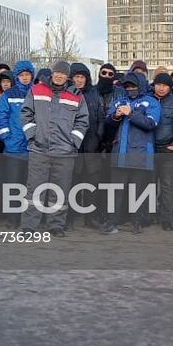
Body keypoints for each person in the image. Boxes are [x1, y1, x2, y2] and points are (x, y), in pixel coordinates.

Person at [20, 61, 88, 236]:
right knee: (34, 190)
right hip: (39, 150)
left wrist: (73, 141)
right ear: (52, 73)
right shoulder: (37, 90)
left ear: (68, 76)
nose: (59, 76)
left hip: (65, 152)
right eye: (56, 72)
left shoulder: (77, 95)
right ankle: (29, 226)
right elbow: (26, 113)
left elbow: (82, 121)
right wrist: (33, 136)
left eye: (63, 73)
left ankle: (56, 225)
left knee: (60, 190)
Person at [102, 71, 159, 234]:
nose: (130, 89)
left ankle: (137, 222)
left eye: (133, 86)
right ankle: (111, 223)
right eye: (127, 86)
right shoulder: (120, 101)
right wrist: (116, 116)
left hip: (141, 154)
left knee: (138, 191)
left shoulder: (151, 102)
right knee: (116, 190)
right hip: (120, 152)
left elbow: (151, 123)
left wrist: (131, 113)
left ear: (140, 86)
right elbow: (108, 124)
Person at [0, 60, 36, 228]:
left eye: (28, 75)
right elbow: (1, 117)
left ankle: (27, 218)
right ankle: (12, 218)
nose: (25, 78)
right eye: (22, 75)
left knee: (30, 185)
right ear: (17, 76)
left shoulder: (37, 93)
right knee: (13, 184)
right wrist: (7, 138)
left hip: (33, 147)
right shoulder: (8, 94)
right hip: (13, 147)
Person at [67, 63, 106, 229]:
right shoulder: (66, 94)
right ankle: (68, 218)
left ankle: (90, 218)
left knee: (91, 183)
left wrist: (98, 136)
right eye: (76, 77)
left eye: (82, 77)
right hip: (71, 145)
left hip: (91, 143)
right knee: (72, 183)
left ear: (87, 79)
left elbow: (101, 117)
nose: (79, 80)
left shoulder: (94, 93)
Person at [151, 73, 173, 231]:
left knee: (167, 185)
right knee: (148, 185)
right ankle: (149, 216)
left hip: (168, 150)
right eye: (158, 84)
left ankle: (166, 218)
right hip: (149, 149)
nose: (161, 88)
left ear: (169, 87)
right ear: (154, 85)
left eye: (164, 85)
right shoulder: (147, 100)